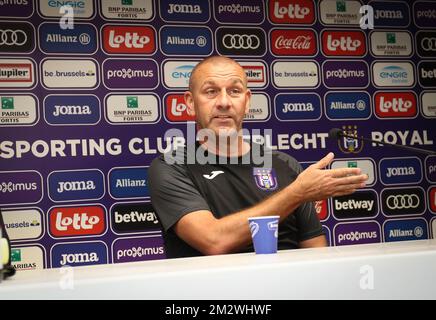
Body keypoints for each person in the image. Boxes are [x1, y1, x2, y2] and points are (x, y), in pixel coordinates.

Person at [148, 56, 368, 258]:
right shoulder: (171, 167)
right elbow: (214, 241)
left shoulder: (286, 164)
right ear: (189, 101)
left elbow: (316, 251)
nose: (224, 102)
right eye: (211, 91)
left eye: (234, 91)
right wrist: (296, 193)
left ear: (247, 100)